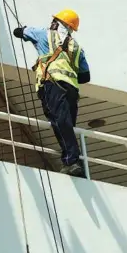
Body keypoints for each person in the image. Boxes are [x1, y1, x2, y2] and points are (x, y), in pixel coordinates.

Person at [12, 9, 91, 177]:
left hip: (53, 84)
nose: (51, 23)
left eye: (54, 21)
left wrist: (23, 29)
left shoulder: (45, 34)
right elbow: (85, 76)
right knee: (65, 124)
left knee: (59, 121)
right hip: (71, 90)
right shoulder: (76, 47)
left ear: (57, 23)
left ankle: (72, 160)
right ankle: (71, 161)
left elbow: (18, 32)